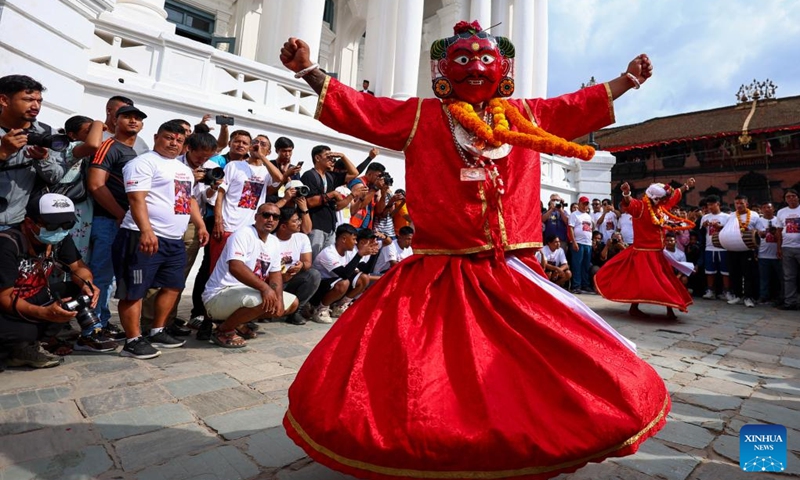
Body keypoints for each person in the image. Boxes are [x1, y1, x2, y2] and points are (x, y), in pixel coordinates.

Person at [279, 21, 668, 479]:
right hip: (437, 268)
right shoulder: (424, 116)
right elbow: (368, 109)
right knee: (422, 373)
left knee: (537, 365)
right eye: (463, 59)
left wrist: (625, 82)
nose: (476, 66)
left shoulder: (524, 114)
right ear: (444, 69)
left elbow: (574, 106)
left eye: (486, 58)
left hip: (510, 268)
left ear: (503, 68)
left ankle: (527, 439)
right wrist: (310, 71)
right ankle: (432, 443)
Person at [112, 121, 209, 359]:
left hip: (173, 240)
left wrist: (201, 224)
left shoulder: (184, 169)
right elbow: (136, 199)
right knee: (134, 291)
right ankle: (133, 340)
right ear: (156, 136)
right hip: (142, 236)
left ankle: (157, 330)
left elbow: (189, 200)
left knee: (174, 285)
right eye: (168, 137)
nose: (173, 143)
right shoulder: (142, 163)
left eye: (178, 140)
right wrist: (146, 230)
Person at [0, 194, 106, 369]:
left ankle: (39, 340)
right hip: (8, 303)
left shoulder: (59, 238)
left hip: (31, 298)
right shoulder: (8, 244)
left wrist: (88, 284)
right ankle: (20, 346)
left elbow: (79, 267)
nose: (60, 230)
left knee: (76, 292)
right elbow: (4, 298)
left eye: (67, 225)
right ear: (29, 223)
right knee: (26, 333)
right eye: (52, 225)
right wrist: (43, 314)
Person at [595, 180, 695, 320]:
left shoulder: (659, 207)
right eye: (661, 199)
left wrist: (686, 186)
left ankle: (669, 308)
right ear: (654, 197)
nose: (664, 201)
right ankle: (639, 308)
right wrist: (626, 193)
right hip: (642, 253)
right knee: (640, 282)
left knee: (666, 279)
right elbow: (630, 203)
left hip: (658, 253)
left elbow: (672, 198)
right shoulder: (641, 207)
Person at [202, 203, 299, 347]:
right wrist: (265, 289)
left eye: (275, 217)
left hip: (243, 294)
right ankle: (223, 330)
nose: (270, 219)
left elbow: (275, 273)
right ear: (256, 217)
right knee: (264, 299)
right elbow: (236, 267)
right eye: (266, 215)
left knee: (291, 304)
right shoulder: (242, 234)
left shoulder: (273, 241)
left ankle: (237, 322)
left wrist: (278, 298)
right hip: (219, 294)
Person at [0, 75, 68, 229]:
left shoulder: (46, 133)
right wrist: (3, 153)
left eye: (39, 101)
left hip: (20, 222)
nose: (35, 106)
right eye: (28, 100)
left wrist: (43, 159)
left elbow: (55, 176)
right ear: (4, 100)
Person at [273, 206, 322, 325]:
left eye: (299, 219)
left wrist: (301, 265)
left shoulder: (302, 238)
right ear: (283, 226)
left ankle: (296, 311)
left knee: (313, 275)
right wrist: (281, 276)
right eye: (295, 221)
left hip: (292, 279)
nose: (299, 223)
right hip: (273, 281)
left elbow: (307, 263)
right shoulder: (271, 240)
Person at [726, 195, 760, 307]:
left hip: (747, 248)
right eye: (737, 203)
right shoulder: (731, 216)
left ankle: (749, 297)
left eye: (741, 203)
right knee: (735, 273)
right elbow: (727, 230)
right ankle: (738, 295)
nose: (739, 205)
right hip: (734, 248)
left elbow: (760, 231)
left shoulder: (754, 215)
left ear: (747, 204)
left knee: (748, 273)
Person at [699, 195, 733, 301]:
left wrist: (720, 227)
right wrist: (704, 226)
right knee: (709, 271)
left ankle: (726, 291)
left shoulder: (727, 217)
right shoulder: (705, 217)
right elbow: (701, 232)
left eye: (711, 204)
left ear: (718, 204)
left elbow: (730, 231)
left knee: (725, 271)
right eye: (708, 205)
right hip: (709, 247)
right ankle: (710, 291)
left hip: (723, 247)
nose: (709, 207)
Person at [754, 202, 782, 305]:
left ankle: (779, 296)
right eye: (764, 207)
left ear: (773, 209)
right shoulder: (758, 221)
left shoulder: (778, 220)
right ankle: (763, 296)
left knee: (779, 277)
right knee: (764, 278)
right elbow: (754, 236)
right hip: (763, 254)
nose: (767, 209)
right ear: (761, 209)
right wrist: (759, 234)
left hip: (777, 254)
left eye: (769, 207)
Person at [776, 189, 800, 310]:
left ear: (798, 197)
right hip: (787, 247)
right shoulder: (781, 212)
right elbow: (779, 231)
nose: (791, 198)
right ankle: (790, 302)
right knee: (789, 276)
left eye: (793, 196)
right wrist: (779, 247)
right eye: (788, 197)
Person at [568, 196, 595, 294]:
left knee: (586, 265)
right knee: (577, 264)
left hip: (588, 243)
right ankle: (576, 285)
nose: (585, 206)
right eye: (583, 203)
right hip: (578, 243)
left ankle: (585, 284)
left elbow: (591, 228)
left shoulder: (588, 216)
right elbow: (571, 228)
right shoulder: (574, 214)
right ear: (579, 204)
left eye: (586, 204)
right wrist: (574, 242)